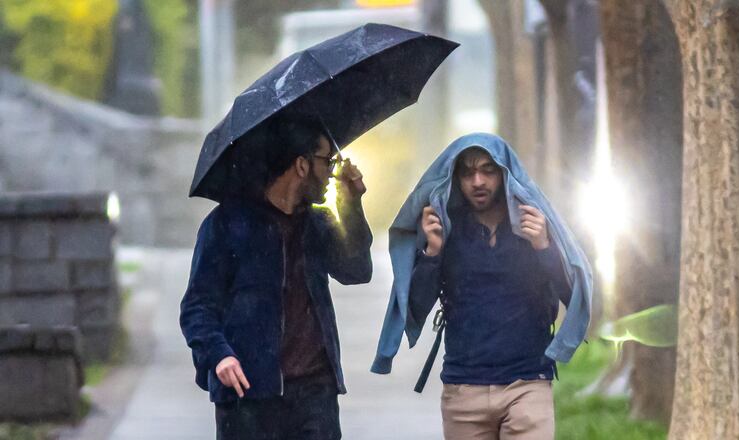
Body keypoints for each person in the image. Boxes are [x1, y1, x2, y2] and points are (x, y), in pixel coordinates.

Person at [371, 133, 592, 440]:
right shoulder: (448, 228)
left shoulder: (533, 226)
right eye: (468, 172)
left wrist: (543, 246)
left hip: (527, 385)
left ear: (504, 173)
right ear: (455, 178)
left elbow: (573, 295)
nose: (478, 181)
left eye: (488, 170)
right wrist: (433, 252)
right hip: (464, 390)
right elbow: (416, 308)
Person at [180, 117, 373, 440]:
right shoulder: (228, 224)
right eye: (328, 161)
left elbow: (356, 271)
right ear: (301, 165)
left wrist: (351, 205)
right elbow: (197, 307)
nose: (332, 172)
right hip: (248, 397)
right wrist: (219, 355)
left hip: (315, 395)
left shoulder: (318, 223)